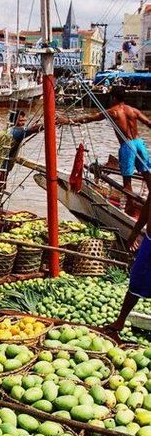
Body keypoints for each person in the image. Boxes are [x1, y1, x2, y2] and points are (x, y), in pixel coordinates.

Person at [62, 86, 151, 216]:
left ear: (113, 98)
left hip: (127, 146)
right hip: (139, 143)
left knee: (127, 182)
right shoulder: (133, 110)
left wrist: (68, 121)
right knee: (147, 176)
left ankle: (131, 209)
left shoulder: (112, 112)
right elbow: (148, 123)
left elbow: (90, 118)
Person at [106, 190, 151, 333]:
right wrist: (135, 231)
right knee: (136, 279)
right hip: (149, 241)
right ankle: (120, 321)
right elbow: (148, 206)